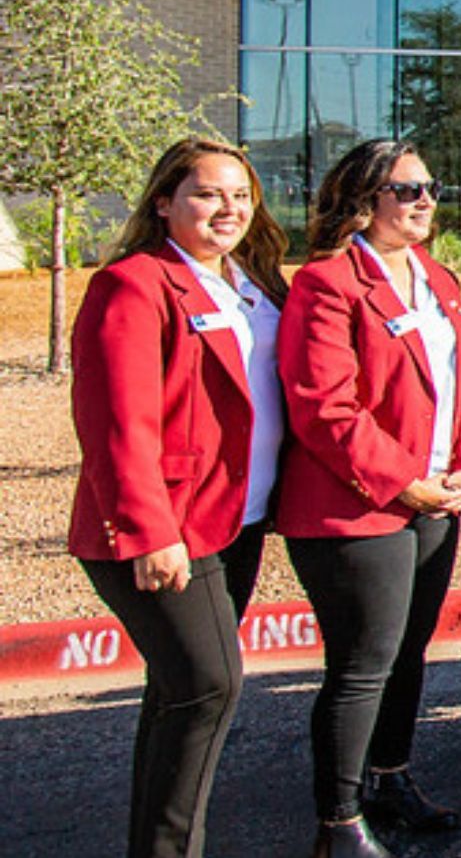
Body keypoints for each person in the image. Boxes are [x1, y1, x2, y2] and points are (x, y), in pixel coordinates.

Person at [69, 137, 288, 858]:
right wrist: (150, 532)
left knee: (178, 692)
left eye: (241, 195)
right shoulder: (135, 284)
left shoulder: (252, 282)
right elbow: (116, 424)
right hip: (170, 530)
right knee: (208, 686)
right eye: (207, 194)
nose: (229, 208)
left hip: (236, 520)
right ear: (164, 202)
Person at [279, 141, 461, 858]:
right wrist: (404, 482)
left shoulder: (436, 277)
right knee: (364, 663)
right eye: (407, 190)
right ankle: (338, 823)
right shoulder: (327, 283)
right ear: (364, 199)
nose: (426, 200)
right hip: (357, 507)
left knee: (408, 652)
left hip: (435, 499)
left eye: (430, 187)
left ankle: (390, 779)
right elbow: (325, 409)